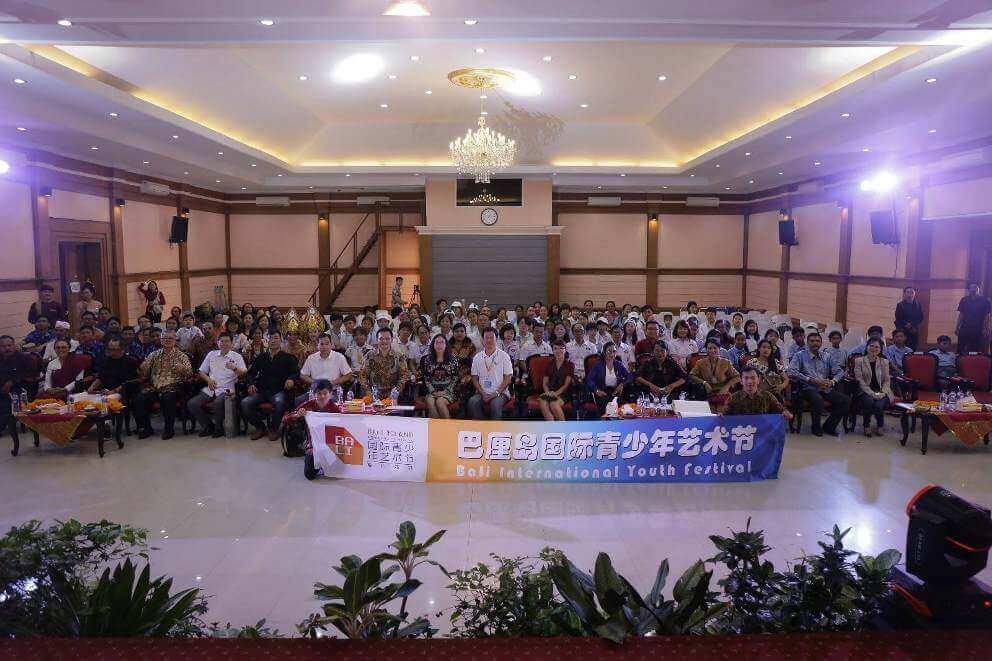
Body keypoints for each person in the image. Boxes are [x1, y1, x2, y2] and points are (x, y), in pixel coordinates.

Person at [133, 329, 192, 439]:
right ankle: (147, 428)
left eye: (170, 338)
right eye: (165, 338)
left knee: (167, 398)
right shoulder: (154, 354)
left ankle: (169, 429)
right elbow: (144, 373)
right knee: (139, 399)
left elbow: (189, 373)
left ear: (175, 340)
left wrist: (183, 369)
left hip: (173, 387)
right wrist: (142, 368)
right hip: (154, 387)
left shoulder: (181, 356)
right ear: (161, 340)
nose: (167, 340)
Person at [788, 332, 850, 437]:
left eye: (817, 341)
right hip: (807, 388)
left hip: (824, 388)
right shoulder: (800, 355)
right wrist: (811, 380)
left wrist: (832, 381)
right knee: (817, 399)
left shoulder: (827, 356)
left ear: (821, 343)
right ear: (807, 342)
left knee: (845, 400)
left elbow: (839, 371)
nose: (815, 343)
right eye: (812, 341)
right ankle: (816, 427)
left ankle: (829, 427)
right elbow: (791, 371)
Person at [242, 329, 299, 441]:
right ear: (266, 341)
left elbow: (296, 372)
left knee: (279, 402)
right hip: (262, 391)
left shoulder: (288, 357)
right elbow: (250, 373)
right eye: (270, 338)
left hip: (279, 390)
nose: (273, 341)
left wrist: (291, 379)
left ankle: (273, 429)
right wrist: (250, 384)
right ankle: (260, 427)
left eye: (276, 338)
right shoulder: (261, 357)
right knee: (245, 403)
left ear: (281, 340)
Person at [187, 332, 247, 437]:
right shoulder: (211, 354)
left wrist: (234, 368)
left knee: (218, 402)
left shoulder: (237, 356)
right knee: (192, 403)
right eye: (221, 341)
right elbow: (201, 371)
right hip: (211, 387)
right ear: (217, 343)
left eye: (227, 341)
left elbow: (243, 374)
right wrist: (208, 380)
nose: (224, 344)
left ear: (231, 343)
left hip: (228, 389)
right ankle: (208, 426)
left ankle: (218, 429)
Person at [468, 327, 514, 420]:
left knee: (495, 404)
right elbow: (474, 378)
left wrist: (496, 393)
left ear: (496, 339)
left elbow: (508, 378)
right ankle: (480, 426)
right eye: (486, 338)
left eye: (491, 337)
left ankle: (495, 428)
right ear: (482, 340)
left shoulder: (504, 356)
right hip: (482, 392)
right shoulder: (477, 357)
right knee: (472, 402)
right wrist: (482, 393)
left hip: (500, 393)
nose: (489, 340)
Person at [853, 338, 893, 437]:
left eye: (877, 347)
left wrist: (883, 393)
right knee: (868, 401)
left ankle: (880, 425)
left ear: (880, 349)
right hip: (865, 391)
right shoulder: (859, 361)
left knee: (879, 405)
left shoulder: (884, 362)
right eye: (871, 346)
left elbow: (887, 380)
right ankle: (866, 425)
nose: (874, 349)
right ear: (866, 347)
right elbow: (859, 380)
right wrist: (871, 393)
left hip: (881, 391)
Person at [298, 333, 353, 406]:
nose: (324, 347)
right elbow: (302, 375)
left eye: (327, 344)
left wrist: (333, 382)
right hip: (315, 391)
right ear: (317, 345)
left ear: (331, 345)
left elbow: (349, 374)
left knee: (330, 402)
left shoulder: (339, 357)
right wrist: (314, 382)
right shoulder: (311, 358)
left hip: (332, 390)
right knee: (299, 401)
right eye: (321, 344)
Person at [359, 327, 410, 400]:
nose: (384, 341)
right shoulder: (370, 355)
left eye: (387, 339)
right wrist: (368, 392)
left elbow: (404, 377)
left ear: (392, 340)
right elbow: (362, 375)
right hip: (373, 394)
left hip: (394, 395)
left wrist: (395, 393)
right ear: (377, 340)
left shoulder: (399, 356)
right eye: (381, 339)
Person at [722, 366, 792, 418]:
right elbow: (724, 414)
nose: (749, 381)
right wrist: (720, 415)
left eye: (753, 378)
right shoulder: (733, 398)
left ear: (759, 380)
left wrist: (785, 412)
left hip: (762, 432)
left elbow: (781, 409)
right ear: (741, 381)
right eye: (746, 378)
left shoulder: (767, 396)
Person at [420, 334, 461, 419]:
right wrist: (433, 391)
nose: (439, 345)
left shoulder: (453, 359)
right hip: (432, 391)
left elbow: (456, 378)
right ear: (433, 345)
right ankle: (436, 425)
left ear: (446, 345)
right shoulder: (427, 359)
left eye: (442, 342)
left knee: (440, 402)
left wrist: (446, 391)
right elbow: (426, 379)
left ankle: (447, 425)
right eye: (437, 343)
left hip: (449, 391)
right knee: (430, 401)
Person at [690, 338, 740, 406]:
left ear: (719, 349)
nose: (712, 350)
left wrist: (727, 386)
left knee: (723, 407)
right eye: (710, 348)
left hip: (723, 392)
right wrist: (704, 383)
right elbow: (691, 375)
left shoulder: (726, 362)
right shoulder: (700, 363)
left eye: (715, 348)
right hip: (707, 393)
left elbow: (737, 377)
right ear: (706, 349)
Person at [585, 342, 631, 416]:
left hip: (615, 392)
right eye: (609, 351)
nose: (612, 354)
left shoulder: (618, 364)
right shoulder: (598, 365)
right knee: (607, 408)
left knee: (624, 409)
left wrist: (622, 384)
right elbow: (589, 380)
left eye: (614, 351)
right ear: (604, 353)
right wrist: (596, 390)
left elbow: (629, 376)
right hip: (602, 393)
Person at [0, 335, 39, 421]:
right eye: (3, 346)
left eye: (9, 345)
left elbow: (31, 374)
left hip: (21, 391)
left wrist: (12, 381)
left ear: (14, 345)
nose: (7, 348)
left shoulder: (25, 358)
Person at [539, 339, 573, 421]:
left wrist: (555, 394)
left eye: (561, 348)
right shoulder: (549, 364)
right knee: (542, 401)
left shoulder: (570, 365)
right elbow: (545, 383)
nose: (558, 351)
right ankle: (551, 425)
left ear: (565, 350)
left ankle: (562, 427)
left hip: (564, 393)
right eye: (555, 348)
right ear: (552, 350)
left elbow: (566, 385)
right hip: (550, 392)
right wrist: (547, 392)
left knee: (553, 404)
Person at [955, 282, 991, 354]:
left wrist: (986, 328)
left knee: (976, 348)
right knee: (961, 348)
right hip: (965, 327)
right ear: (969, 289)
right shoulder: (964, 300)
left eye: (975, 287)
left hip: (978, 328)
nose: (973, 289)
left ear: (979, 289)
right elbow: (961, 314)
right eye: (971, 287)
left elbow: (987, 316)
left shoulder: (985, 301)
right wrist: (957, 327)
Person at [894, 286, 924, 350]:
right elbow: (898, 318)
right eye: (908, 292)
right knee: (902, 348)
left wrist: (912, 324)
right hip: (903, 330)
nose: (910, 294)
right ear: (904, 293)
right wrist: (906, 325)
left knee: (913, 348)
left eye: (912, 292)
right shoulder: (900, 305)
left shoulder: (918, 304)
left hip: (914, 330)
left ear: (914, 294)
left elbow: (920, 317)